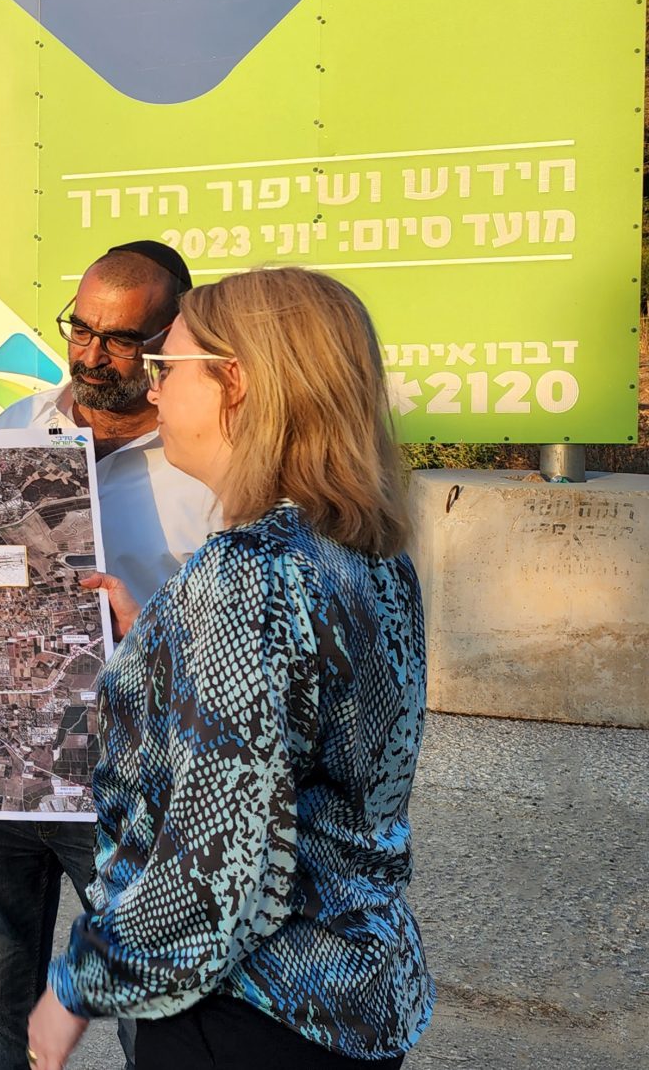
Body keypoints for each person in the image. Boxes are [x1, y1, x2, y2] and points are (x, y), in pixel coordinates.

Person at [28, 266, 434, 1069]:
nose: (153, 387)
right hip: (361, 996)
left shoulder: (246, 574)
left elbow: (215, 867)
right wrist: (161, 650)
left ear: (237, 383)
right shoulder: (372, 554)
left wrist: (74, 987)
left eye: (169, 366)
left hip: (252, 1008)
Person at [0, 241, 216, 1070]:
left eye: (121, 338)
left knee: (151, 1004)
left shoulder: (207, 461)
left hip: (130, 776)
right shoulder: (17, 424)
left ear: (171, 338)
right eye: (81, 328)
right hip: (6, 767)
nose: (92, 354)